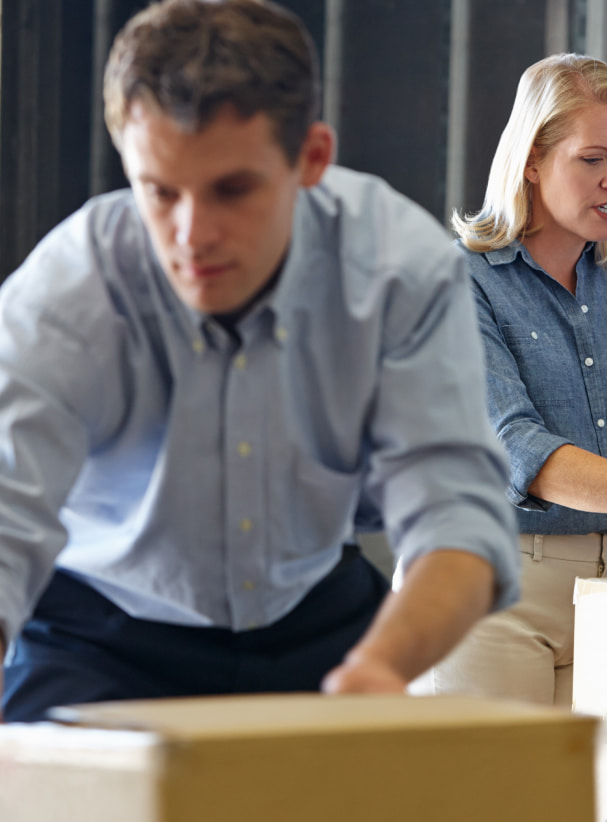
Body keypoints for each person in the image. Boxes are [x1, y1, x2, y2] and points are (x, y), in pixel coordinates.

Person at [0, 0, 520, 722]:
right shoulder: (69, 290)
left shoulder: (398, 269)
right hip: (99, 633)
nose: (192, 235)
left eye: (232, 190)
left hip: (319, 624)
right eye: (159, 192)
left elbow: (461, 521)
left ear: (310, 158)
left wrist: (379, 667)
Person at [406, 54, 607, 707]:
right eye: (593, 159)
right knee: (496, 808)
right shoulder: (458, 282)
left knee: (595, 809)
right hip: (488, 595)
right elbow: (520, 452)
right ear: (532, 161)